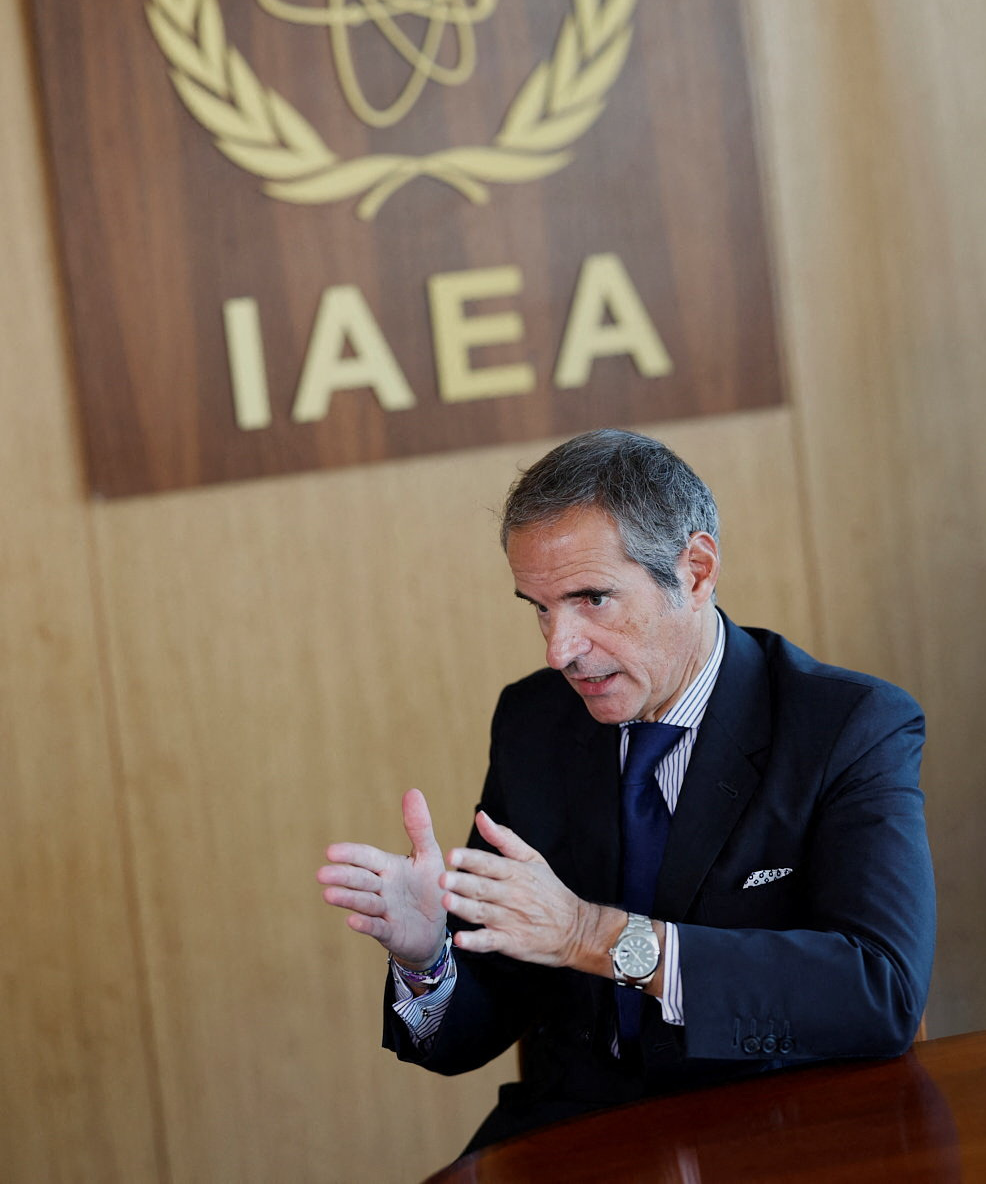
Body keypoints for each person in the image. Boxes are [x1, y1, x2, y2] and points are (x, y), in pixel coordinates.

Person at [317, 429, 935, 1152]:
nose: (560, 649)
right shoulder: (534, 722)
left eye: (592, 599)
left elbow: (881, 992)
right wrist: (428, 957)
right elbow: (477, 1025)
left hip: (780, 1125)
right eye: (539, 607)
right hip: (577, 1127)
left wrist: (594, 937)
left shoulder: (848, 726)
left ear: (696, 571)